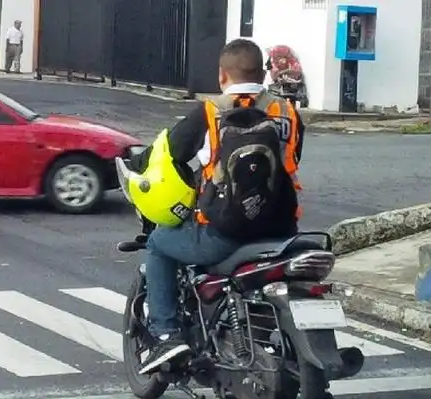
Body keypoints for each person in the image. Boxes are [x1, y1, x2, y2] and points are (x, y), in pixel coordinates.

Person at [127, 38, 305, 375]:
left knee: (160, 244)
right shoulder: (288, 112)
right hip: (282, 229)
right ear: (264, 74)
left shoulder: (210, 112)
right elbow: (291, 161)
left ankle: (165, 333)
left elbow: (172, 157)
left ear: (222, 75)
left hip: (228, 231)